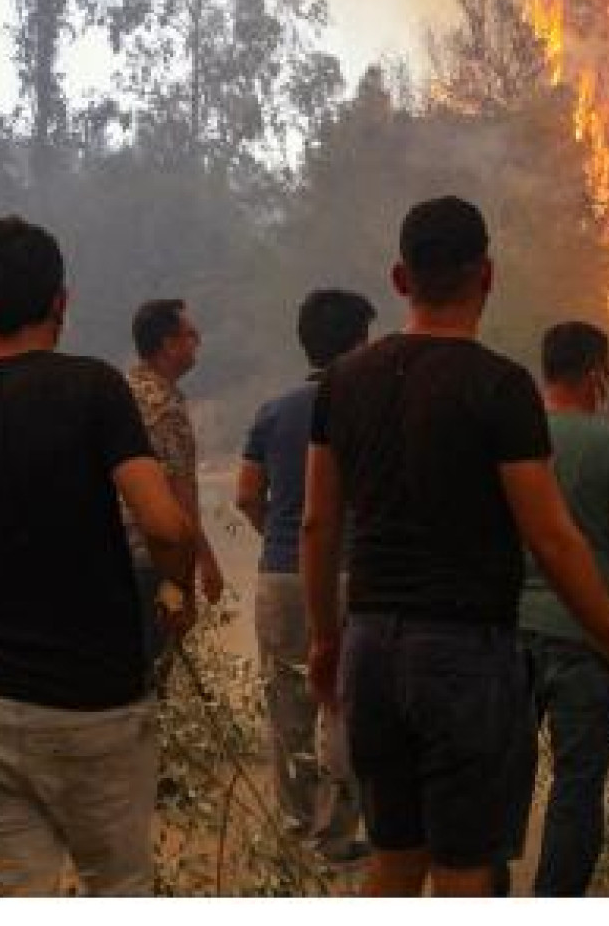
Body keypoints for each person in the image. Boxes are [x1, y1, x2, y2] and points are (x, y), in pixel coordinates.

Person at [299, 195, 609, 897]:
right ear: (488, 276)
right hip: (463, 656)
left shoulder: (344, 383)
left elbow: (319, 527)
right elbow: (553, 538)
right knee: (464, 866)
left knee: (394, 855)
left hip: (371, 646)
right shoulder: (500, 389)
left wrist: (326, 639)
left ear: (399, 279)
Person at [0, 216, 197, 896]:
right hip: (95, 707)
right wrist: (178, 591)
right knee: (118, 887)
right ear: (62, 301)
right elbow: (167, 529)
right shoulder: (93, 390)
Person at [501, 322, 609, 896]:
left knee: (501, 783)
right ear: (595, 374)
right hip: (588, 639)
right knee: (577, 786)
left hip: (509, 634)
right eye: (608, 372)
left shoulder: (510, 441)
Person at [236, 288, 376, 862]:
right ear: (359, 343)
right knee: (341, 701)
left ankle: (294, 826)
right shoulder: (370, 406)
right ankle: (335, 832)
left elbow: (247, 494)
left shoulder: (273, 410)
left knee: (287, 702)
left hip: (281, 576)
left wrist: (279, 534)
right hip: (349, 572)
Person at [124, 298, 225, 681]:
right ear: (168, 345)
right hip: (153, 561)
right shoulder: (165, 406)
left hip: (114, 557)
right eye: (190, 334)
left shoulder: (121, 391)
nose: (198, 340)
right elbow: (177, 497)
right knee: (153, 682)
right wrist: (199, 569)